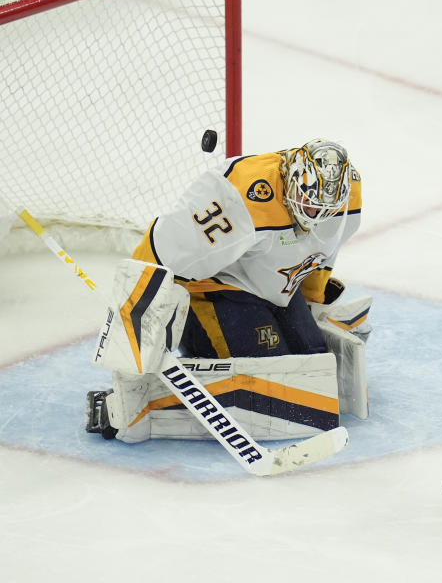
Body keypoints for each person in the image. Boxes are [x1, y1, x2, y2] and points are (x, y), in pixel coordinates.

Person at [86, 138, 372, 442]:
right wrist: (134, 353)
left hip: (276, 289)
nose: (314, 217)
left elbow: (322, 255)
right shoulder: (238, 198)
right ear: (289, 179)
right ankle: (145, 405)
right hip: (216, 288)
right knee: (270, 384)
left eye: (323, 210)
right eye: (307, 206)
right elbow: (157, 253)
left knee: (314, 370)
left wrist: (314, 304)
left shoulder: (348, 195)